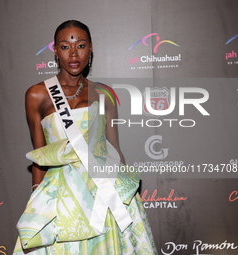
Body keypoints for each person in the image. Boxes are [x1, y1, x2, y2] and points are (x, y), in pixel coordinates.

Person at [13, 20, 157, 255]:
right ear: (55, 50)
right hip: (63, 194)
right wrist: (37, 199)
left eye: (80, 45)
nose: (73, 53)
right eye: (65, 46)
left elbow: (114, 149)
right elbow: (39, 155)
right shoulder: (37, 94)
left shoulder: (104, 94)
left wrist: (126, 194)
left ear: (90, 48)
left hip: (104, 189)